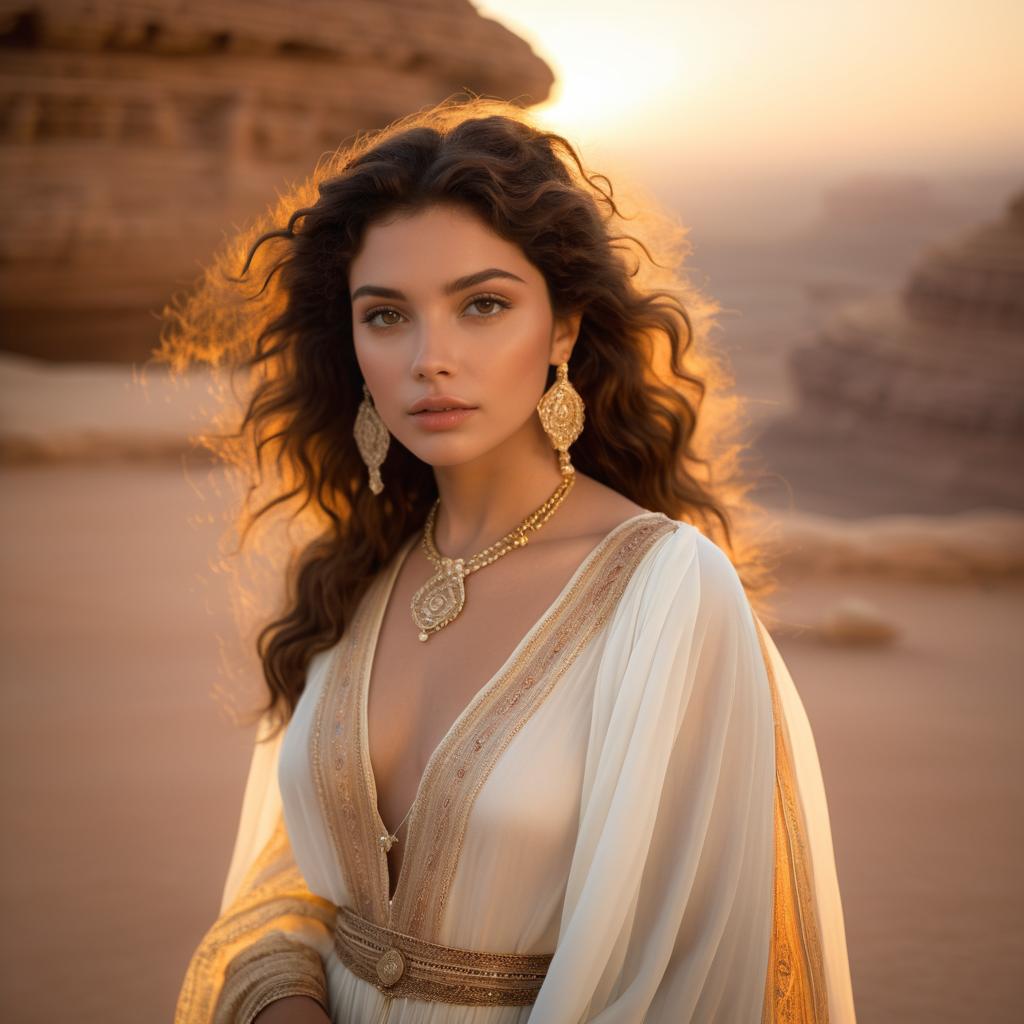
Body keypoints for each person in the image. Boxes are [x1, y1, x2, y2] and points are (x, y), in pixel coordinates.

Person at [162, 96, 856, 1023]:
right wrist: (283, 1000)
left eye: (482, 305)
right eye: (386, 316)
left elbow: (680, 974)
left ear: (562, 329)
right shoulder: (358, 575)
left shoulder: (666, 594)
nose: (430, 358)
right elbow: (292, 888)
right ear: (354, 344)